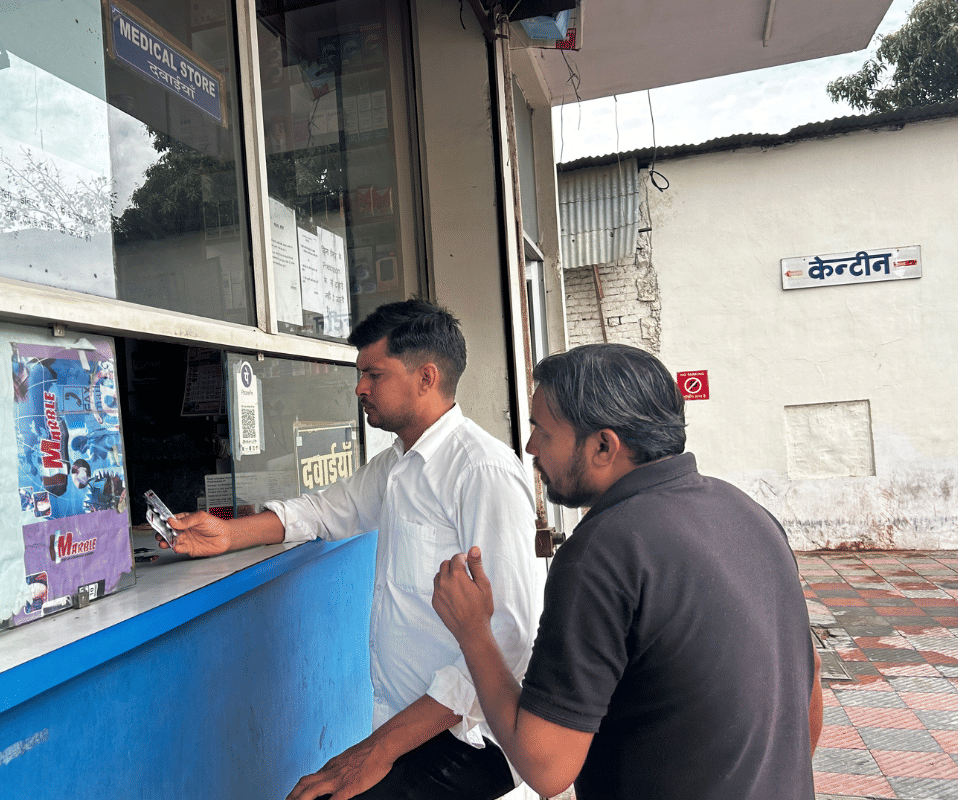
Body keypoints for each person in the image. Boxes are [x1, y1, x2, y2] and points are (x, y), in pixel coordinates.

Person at [156, 299, 543, 800]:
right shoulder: (400, 465)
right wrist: (229, 534)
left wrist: (378, 750)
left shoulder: (480, 471)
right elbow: (323, 511)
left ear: (426, 377)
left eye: (373, 374)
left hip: (467, 733)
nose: (360, 387)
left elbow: (510, 635)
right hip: (407, 724)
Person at [431, 343, 823, 800]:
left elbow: (546, 766)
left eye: (542, 428)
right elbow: (806, 698)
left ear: (603, 445)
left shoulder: (604, 551)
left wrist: (473, 631)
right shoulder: (748, 512)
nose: (530, 445)